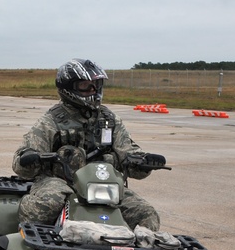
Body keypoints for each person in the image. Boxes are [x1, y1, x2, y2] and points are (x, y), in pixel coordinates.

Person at [12, 58, 163, 231]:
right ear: (68, 87)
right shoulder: (51, 121)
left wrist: (143, 162)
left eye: (96, 84)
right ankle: (32, 240)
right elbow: (20, 161)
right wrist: (29, 158)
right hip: (60, 183)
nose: (93, 90)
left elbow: (127, 152)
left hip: (104, 185)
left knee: (146, 214)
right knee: (48, 205)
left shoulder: (109, 120)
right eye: (86, 85)